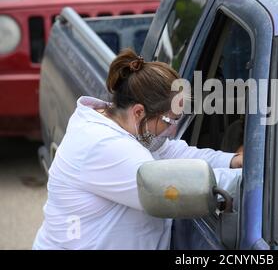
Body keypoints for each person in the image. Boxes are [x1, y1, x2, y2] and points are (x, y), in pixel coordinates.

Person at [33, 49, 242, 250]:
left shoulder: (125, 125)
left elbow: (172, 152)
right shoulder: (105, 146)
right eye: (170, 120)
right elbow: (176, 187)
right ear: (139, 112)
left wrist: (233, 161)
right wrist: (253, 179)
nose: (172, 131)